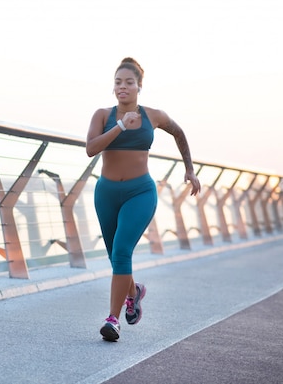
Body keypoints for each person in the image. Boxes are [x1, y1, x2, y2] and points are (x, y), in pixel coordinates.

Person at [86, 57, 201, 342]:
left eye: (129, 82)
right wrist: (121, 127)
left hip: (140, 192)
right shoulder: (102, 115)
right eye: (118, 82)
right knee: (116, 257)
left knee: (123, 251)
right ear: (113, 87)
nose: (122, 87)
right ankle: (134, 292)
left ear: (139, 86)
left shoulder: (154, 115)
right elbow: (91, 148)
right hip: (106, 193)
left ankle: (113, 320)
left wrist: (189, 168)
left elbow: (179, 132)